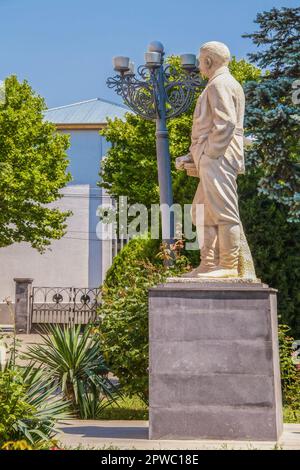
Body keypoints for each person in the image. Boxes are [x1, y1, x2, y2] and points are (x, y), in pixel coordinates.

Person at [176, 41, 247, 278]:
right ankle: (208, 264)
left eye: (199, 60)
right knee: (200, 212)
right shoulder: (221, 84)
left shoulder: (220, 84)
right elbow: (210, 128)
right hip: (214, 154)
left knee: (224, 211)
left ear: (208, 61)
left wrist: (208, 154)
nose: (198, 66)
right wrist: (194, 155)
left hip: (219, 155)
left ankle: (227, 266)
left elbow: (225, 123)